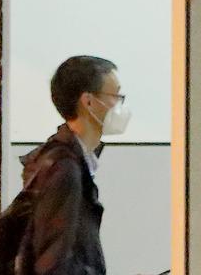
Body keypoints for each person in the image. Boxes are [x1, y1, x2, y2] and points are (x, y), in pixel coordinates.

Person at [18, 55, 131, 275]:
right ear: (88, 102)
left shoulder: (63, 161)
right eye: (116, 96)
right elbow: (54, 264)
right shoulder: (64, 169)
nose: (120, 105)